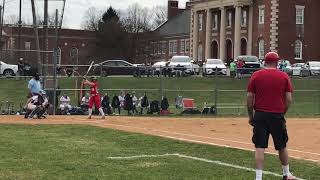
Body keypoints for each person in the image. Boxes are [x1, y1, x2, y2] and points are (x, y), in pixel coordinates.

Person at [247, 52, 296, 180]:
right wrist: (282, 112)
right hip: (276, 115)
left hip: (260, 115)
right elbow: (289, 98)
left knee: (259, 147)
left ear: (265, 62)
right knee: (282, 145)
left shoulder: (256, 75)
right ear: (277, 62)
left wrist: (250, 115)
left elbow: (250, 97)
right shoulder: (284, 76)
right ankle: (286, 173)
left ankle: (258, 178)